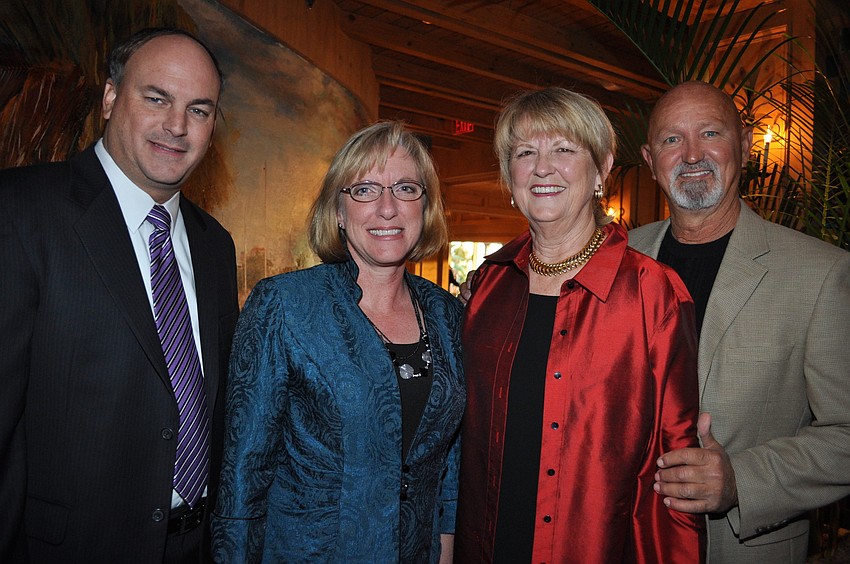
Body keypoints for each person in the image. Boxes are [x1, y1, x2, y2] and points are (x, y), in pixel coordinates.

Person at [0, 28, 239, 562]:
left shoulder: (214, 245)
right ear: (110, 99)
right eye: (157, 98)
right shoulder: (21, 212)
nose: (177, 126)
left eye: (199, 110)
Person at [454, 87, 705, 563]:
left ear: (603, 167)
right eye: (525, 152)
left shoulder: (653, 294)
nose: (542, 168)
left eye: (564, 150)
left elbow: (678, 478)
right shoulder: (487, 289)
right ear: (510, 174)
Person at [210, 121, 465, 563]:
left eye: (406, 188)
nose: (388, 208)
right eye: (365, 190)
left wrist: (444, 548)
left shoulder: (447, 315)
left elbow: (447, 458)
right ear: (339, 212)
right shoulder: (285, 305)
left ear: (426, 208)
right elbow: (242, 475)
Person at [631, 80, 850, 563]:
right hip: (618, 539)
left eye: (710, 133)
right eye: (672, 140)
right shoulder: (616, 258)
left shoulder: (821, 273)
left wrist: (742, 481)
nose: (691, 155)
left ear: (746, 147)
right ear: (650, 161)